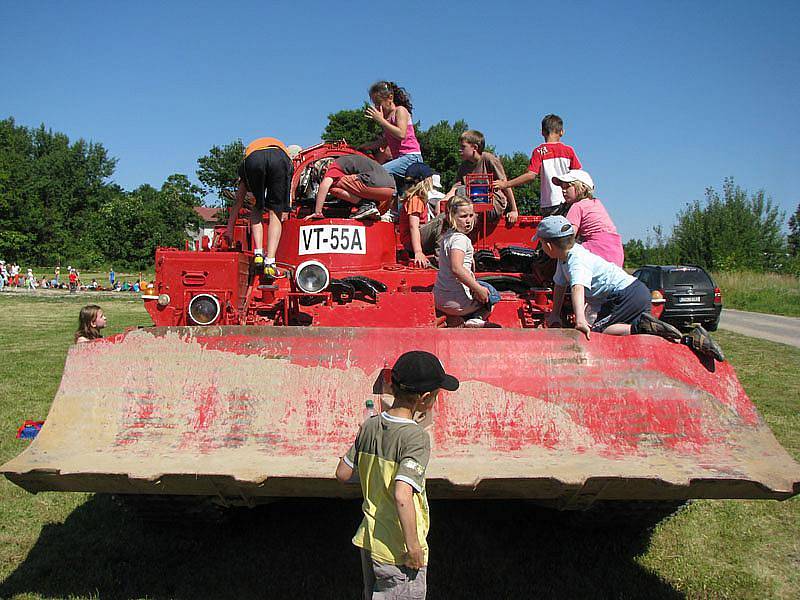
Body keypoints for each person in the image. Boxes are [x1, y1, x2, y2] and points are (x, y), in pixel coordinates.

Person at [335, 350, 459, 600]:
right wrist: (413, 547)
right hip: (397, 548)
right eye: (436, 395)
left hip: (370, 540)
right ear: (425, 398)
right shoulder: (416, 438)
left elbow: (343, 473)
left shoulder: (369, 426)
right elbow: (402, 494)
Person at [536, 216, 725, 360]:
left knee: (598, 333)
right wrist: (554, 314)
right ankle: (691, 339)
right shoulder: (564, 260)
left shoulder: (576, 260)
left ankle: (641, 326)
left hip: (625, 295)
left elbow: (578, 287)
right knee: (658, 332)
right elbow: (560, 285)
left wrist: (580, 320)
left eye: (541, 243)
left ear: (549, 246)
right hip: (636, 290)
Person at [225, 137, 294, 278]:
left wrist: (229, 229)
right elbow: (290, 192)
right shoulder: (285, 153)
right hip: (279, 158)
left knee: (256, 207)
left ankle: (258, 253)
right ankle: (270, 262)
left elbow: (238, 201)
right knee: (276, 213)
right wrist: (287, 208)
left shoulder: (248, 157)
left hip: (254, 159)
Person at [494, 114, 582, 216]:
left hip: (548, 203)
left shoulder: (539, 151)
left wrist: (505, 184)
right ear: (562, 132)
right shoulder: (569, 151)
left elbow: (531, 175)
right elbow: (578, 175)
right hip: (568, 200)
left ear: (542, 132)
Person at [434, 197, 498, 327]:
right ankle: (476, 318)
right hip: (457, 303)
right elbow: (456, 268)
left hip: (439, 299)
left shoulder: (447, 237)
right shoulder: (460, 240)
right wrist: (478, 289)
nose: (468, 220)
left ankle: (455, 319)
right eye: (463, 216)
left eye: (471, 215)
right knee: (492, 294)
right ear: (452, 217)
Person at [552, 170, 624, 267]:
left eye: (568, 187)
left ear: (581, 188)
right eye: (562, 187)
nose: (563, 191)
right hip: (615, 250)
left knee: (565, 257)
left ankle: (559, 281)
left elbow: (568, 234)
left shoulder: (577, 206)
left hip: (597, 248)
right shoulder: (596, 203)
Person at [445, 129, 519, 223]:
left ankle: (467, 219)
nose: (460, 150)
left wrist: (514, 210)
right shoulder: (463, 167)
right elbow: (455, 188)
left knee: (463, 190)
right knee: (459, 194)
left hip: (492, 202)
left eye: (463, 147)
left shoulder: (489, 159)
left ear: (475, 147)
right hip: (471, 203)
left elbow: (506, 184)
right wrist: (443, 201)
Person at [306, 154, 396, 220]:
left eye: (323, 175)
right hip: (389, 191)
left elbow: (325, 184)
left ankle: (365, 205)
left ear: (324, 169)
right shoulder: (350, 161)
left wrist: (317, 212)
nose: (325, 177)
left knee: (333, 186)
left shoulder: (334, 165)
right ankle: (369, 207)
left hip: (373, 182)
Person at [362, 81, 423, 178]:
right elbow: (386, 141)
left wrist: (381, 120)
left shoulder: (400, 111)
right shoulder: (387, 118)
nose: (377, 107)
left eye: (379, 103)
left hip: (411, 157)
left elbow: (401, 134)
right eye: (375, 104)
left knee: (380, 173)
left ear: (390, 97)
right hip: (399, 159)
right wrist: (365, 146)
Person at [398, 163, 444, 268]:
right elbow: (413, 226)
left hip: (413, 241)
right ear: (425, 181)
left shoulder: (415, 198)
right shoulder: (416, 199)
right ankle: (440, 259)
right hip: (413, 242)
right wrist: (418, 251)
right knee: (443, 218)